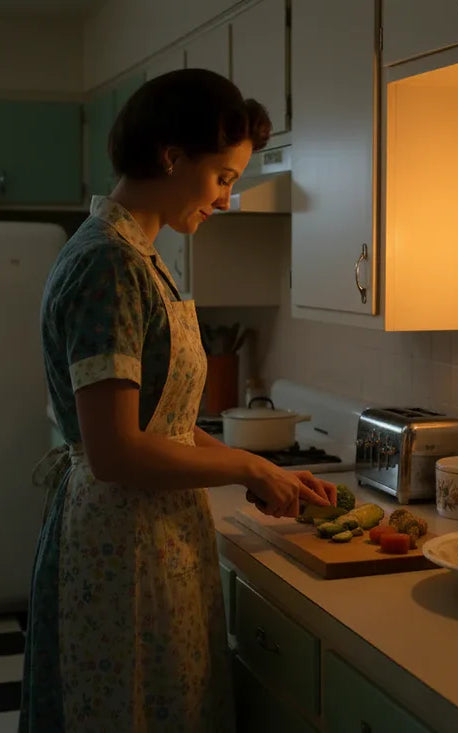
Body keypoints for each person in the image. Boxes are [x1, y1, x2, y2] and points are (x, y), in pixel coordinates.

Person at [19, 68, 337, 732]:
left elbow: (163, 424)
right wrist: (249, 466)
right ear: (171, 156)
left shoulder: (139, 255)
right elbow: (116, 451)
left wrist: (265, 470)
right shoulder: (110, 266)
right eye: (222, 176)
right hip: (120, 552)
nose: (225, 199)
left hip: (150, 542)